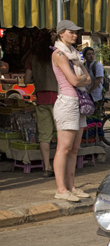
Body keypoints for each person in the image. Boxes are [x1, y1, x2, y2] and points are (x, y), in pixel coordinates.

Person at [51, 20, 93, 202]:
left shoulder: (75, 54)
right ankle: (61, 188)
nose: (74, 35)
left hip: (79, 102)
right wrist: (81, 78)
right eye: (70, 32)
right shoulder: (59, 53)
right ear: (61, 33)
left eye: (76, 33)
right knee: (64, 147)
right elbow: (75, 81)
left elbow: (88, 79)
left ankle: (71, 186)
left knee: (74, 148)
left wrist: (81, 75)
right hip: (67, 102)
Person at [25, 30, 58, 178]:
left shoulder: (33, 58)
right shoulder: (56, 55)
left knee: (44, 136)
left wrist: (38, 79)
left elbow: (26, 80)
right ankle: (60, 165)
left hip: (41, 98)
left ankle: (47, 167)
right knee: (62, 134)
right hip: (58, 98)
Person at [82, 47, 105, 119]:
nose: (91, 56)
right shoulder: (84, 65)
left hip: (96, 95)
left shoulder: (98, 65)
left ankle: (97, 129)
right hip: (87, 93)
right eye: (88, 54)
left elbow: (98, 80)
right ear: (84, 56)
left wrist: (89, 91)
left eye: (92, 54)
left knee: (96, 116)